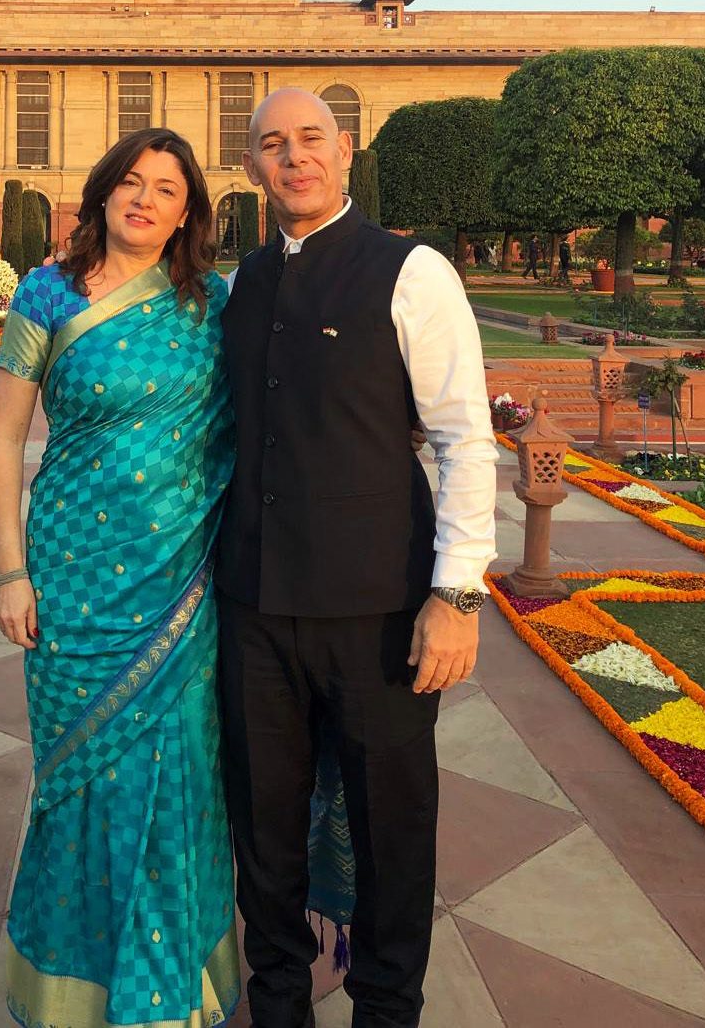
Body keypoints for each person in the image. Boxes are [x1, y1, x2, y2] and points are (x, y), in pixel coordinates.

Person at [217, 88, 497, 1028]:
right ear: (253, 166)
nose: (293, 158)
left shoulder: (410, 271)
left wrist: (456, 594)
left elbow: (465, 436)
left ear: (343, 153)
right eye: (271, 145)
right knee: (265, 831)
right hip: (256, 605)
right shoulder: (247, 279)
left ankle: (386, 1008)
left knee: (391, 828)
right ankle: (281, 1006)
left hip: (378, 609)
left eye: (309, 140)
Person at [0, 128, 248, 1028]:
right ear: (101, 194)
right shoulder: (46, 292)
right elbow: (2, 441)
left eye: (167, 189)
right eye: (130, 183)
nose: (144, 199)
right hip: (69, 577)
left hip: (181, 584)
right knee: (76, 781)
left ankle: (172, 992)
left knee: (180, 777)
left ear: (189, 213)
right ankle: (70, 990)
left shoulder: (212, 304)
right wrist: (10, 573)